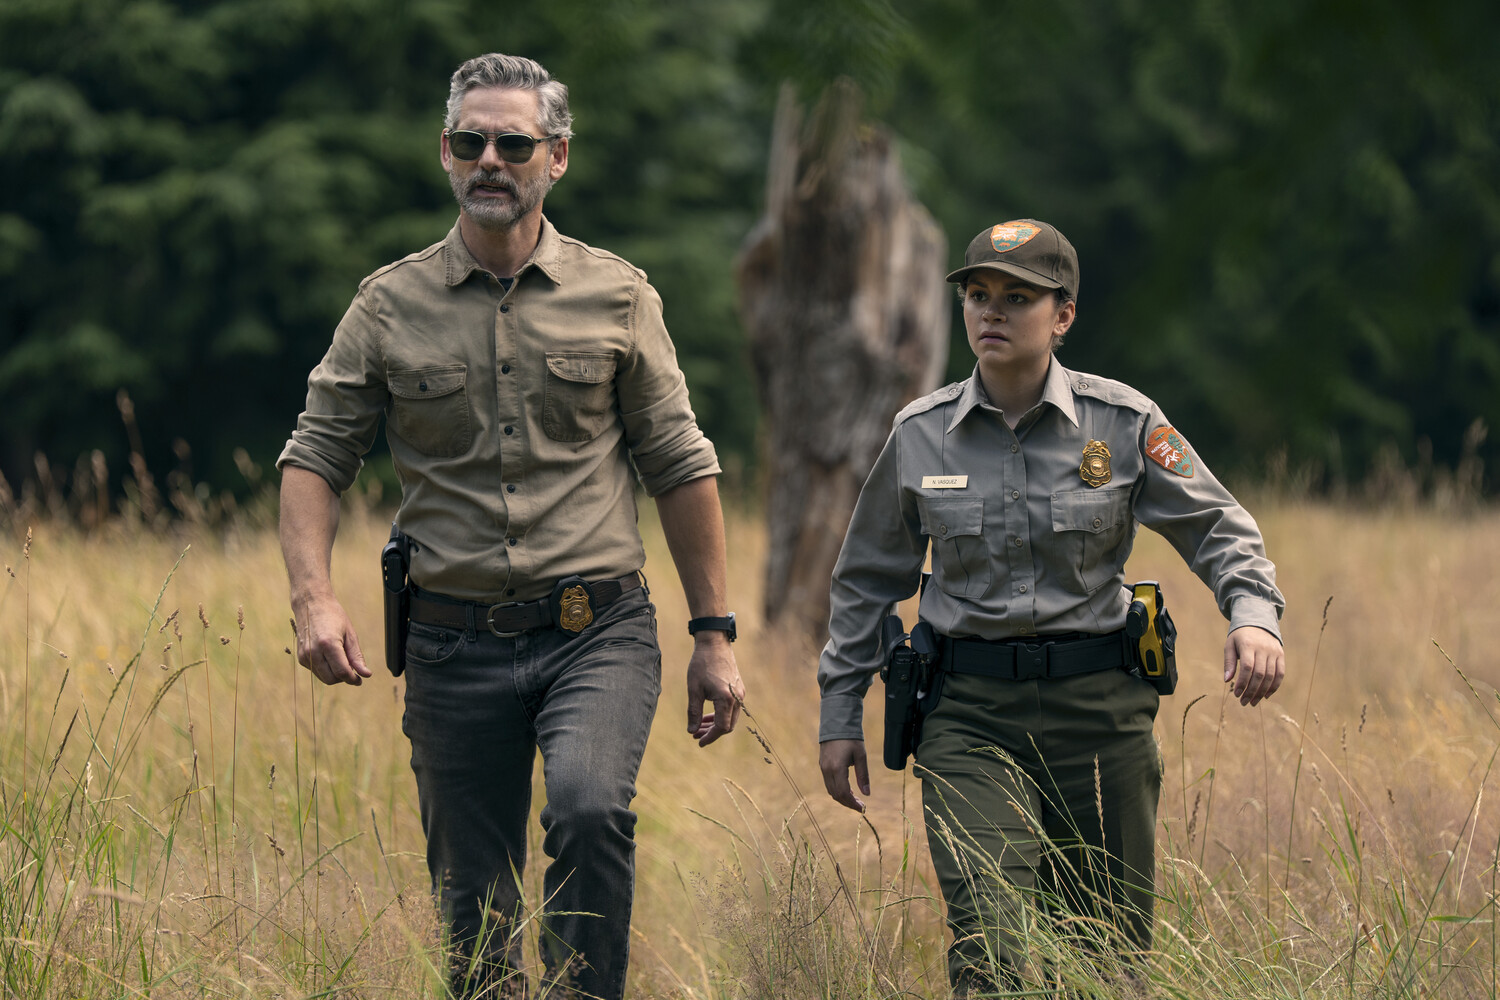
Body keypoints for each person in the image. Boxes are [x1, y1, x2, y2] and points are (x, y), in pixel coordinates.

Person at [276, 53, 746, 1000]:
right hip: (449, 642)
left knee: (587, 810)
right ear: (445, 152)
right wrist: (314, 600)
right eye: (470, 141)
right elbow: (315, 455)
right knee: (474, 896)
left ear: (556, 156)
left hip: (595, 629)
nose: (490, 159)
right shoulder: (387, 304)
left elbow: (679, 462)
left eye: (514, 144)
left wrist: (714, 635)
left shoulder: (619, 296)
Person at [816, 219, 1286, 993]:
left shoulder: (1123, 422)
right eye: (978, 295)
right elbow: (866, 580)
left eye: (1017, 297)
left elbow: (1218, 528)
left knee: (1104, 962)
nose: (991, 312)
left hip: (1098, 715)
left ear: (1062, 314)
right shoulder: (921, 434)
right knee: (991, 947)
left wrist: (1253, 616)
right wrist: (839, 714)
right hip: (969, 717)